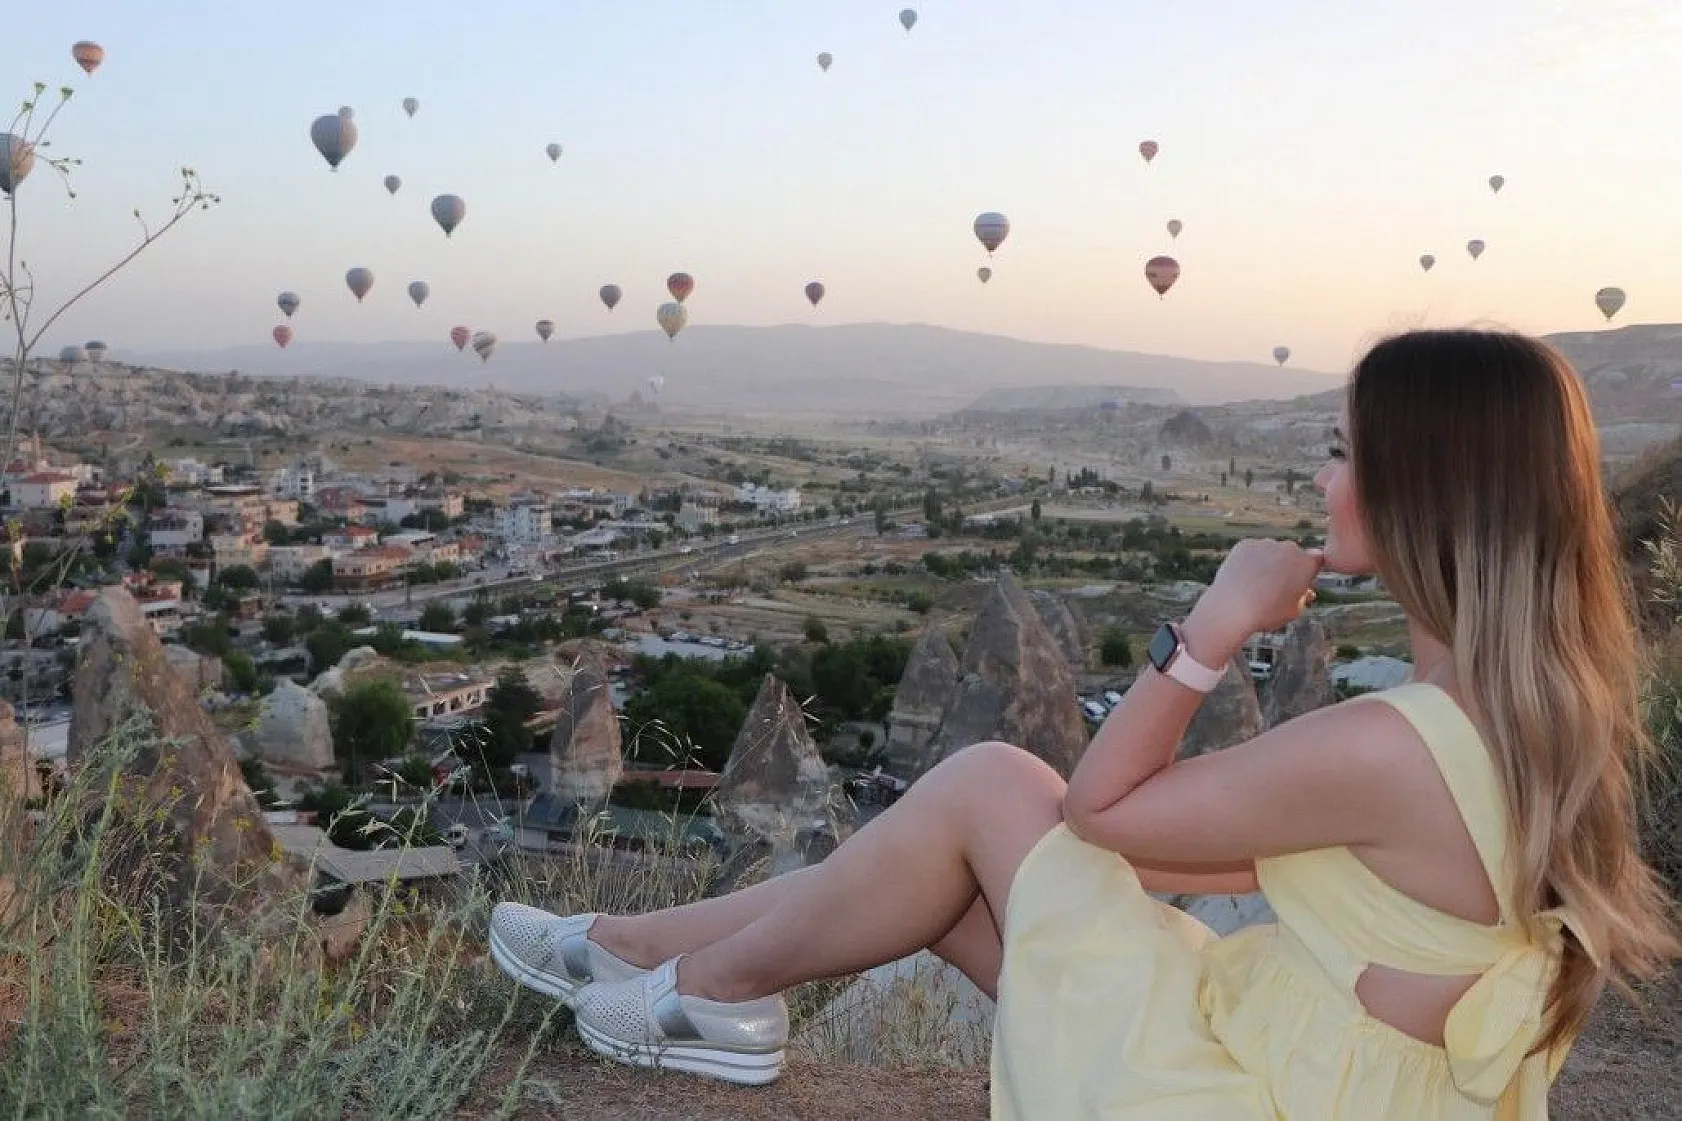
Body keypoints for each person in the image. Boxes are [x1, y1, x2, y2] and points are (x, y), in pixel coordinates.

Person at [488, 329, 1679, 1118]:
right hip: (1305, 1081)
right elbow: (1178, 853)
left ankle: (707, 988)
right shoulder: (1540, 717)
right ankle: (641, 947)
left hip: (1242, 1096)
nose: (1319, 480)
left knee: (989, 781)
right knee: (958, 863)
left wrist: (1207, 628)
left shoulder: (1389, 743)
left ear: (1417, 484)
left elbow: (1098, 812)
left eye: (1338, 450)